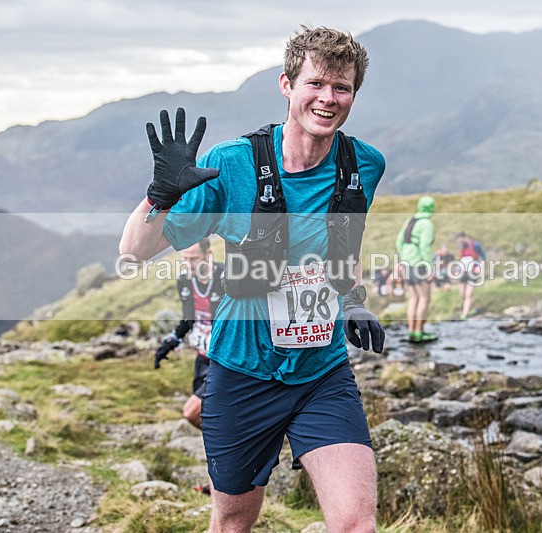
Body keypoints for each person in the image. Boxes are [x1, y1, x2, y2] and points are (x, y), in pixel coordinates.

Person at [120, 26, 385, 532]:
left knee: (355, 523)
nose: (328, 99)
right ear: (287, 84)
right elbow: (133, 251)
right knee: (233, 524)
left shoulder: (363, 165)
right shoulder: (231, 163)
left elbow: (340, 254)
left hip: (321, 373)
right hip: (241, 373)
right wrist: (159, 195)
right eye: (316, 84)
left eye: (342, 88)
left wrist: (352, 301)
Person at [153, 239, 225, 427]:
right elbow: (188, 318)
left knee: (191, 412)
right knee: (212, 414)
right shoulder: (184, 280)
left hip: (223, 360)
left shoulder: (227, 277)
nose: (188, 264)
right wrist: (172, 341)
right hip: (202, 358)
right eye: (185, 259)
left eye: (193, 259)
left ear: (208, 253)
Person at [396, 196, 437, 343]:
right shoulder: (426, 224)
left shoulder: (410, 220)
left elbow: (399, 241)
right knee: (424, 298)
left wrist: (402, 259)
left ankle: (412, 331)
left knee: (413, 298)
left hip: (407, 264)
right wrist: (430, 267)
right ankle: (420, 332)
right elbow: (425, 247)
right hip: (419, 265)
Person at [456, 232, 486, 320]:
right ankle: (474, 308)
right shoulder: (461, 246)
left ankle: (464, 314)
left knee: (468, 294)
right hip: (463, 271)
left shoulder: (476, 245)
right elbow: (462, 258)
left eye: (461, 240)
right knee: (462, 294)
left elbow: (483, 257)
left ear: (465, 237)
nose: (460, 242)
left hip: (472, 271)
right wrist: (458, 270)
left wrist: (480, 267)